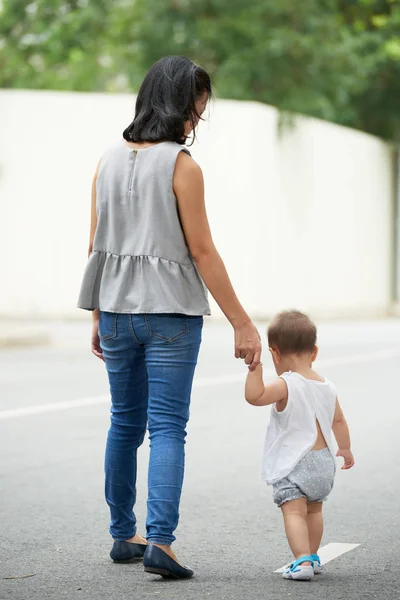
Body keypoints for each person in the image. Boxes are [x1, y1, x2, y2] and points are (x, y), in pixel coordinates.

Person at [77, 55, 261, 580]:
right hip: (171, 316)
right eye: (195, 112)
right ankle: (160, 543)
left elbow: (96, 246)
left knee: (123, 424)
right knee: (167, 429)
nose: (195, 123)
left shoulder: (105, 161)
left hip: (115, 311)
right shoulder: (182, 165)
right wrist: (242, 322)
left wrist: (96, 314)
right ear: (180, 106)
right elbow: (202, 252)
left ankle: (123, 535)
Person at [245, 310, 354, 581]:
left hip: (295, 463)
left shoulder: (286, 384)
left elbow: (255, 397)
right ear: (314, 351)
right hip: (324, 461)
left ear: (276, 354)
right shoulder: (327, 385)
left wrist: (254, 370)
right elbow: (338, 420)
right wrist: (346, 448)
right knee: (314, 510)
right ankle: (313, 557)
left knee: (294, 511)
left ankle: (301, 560)